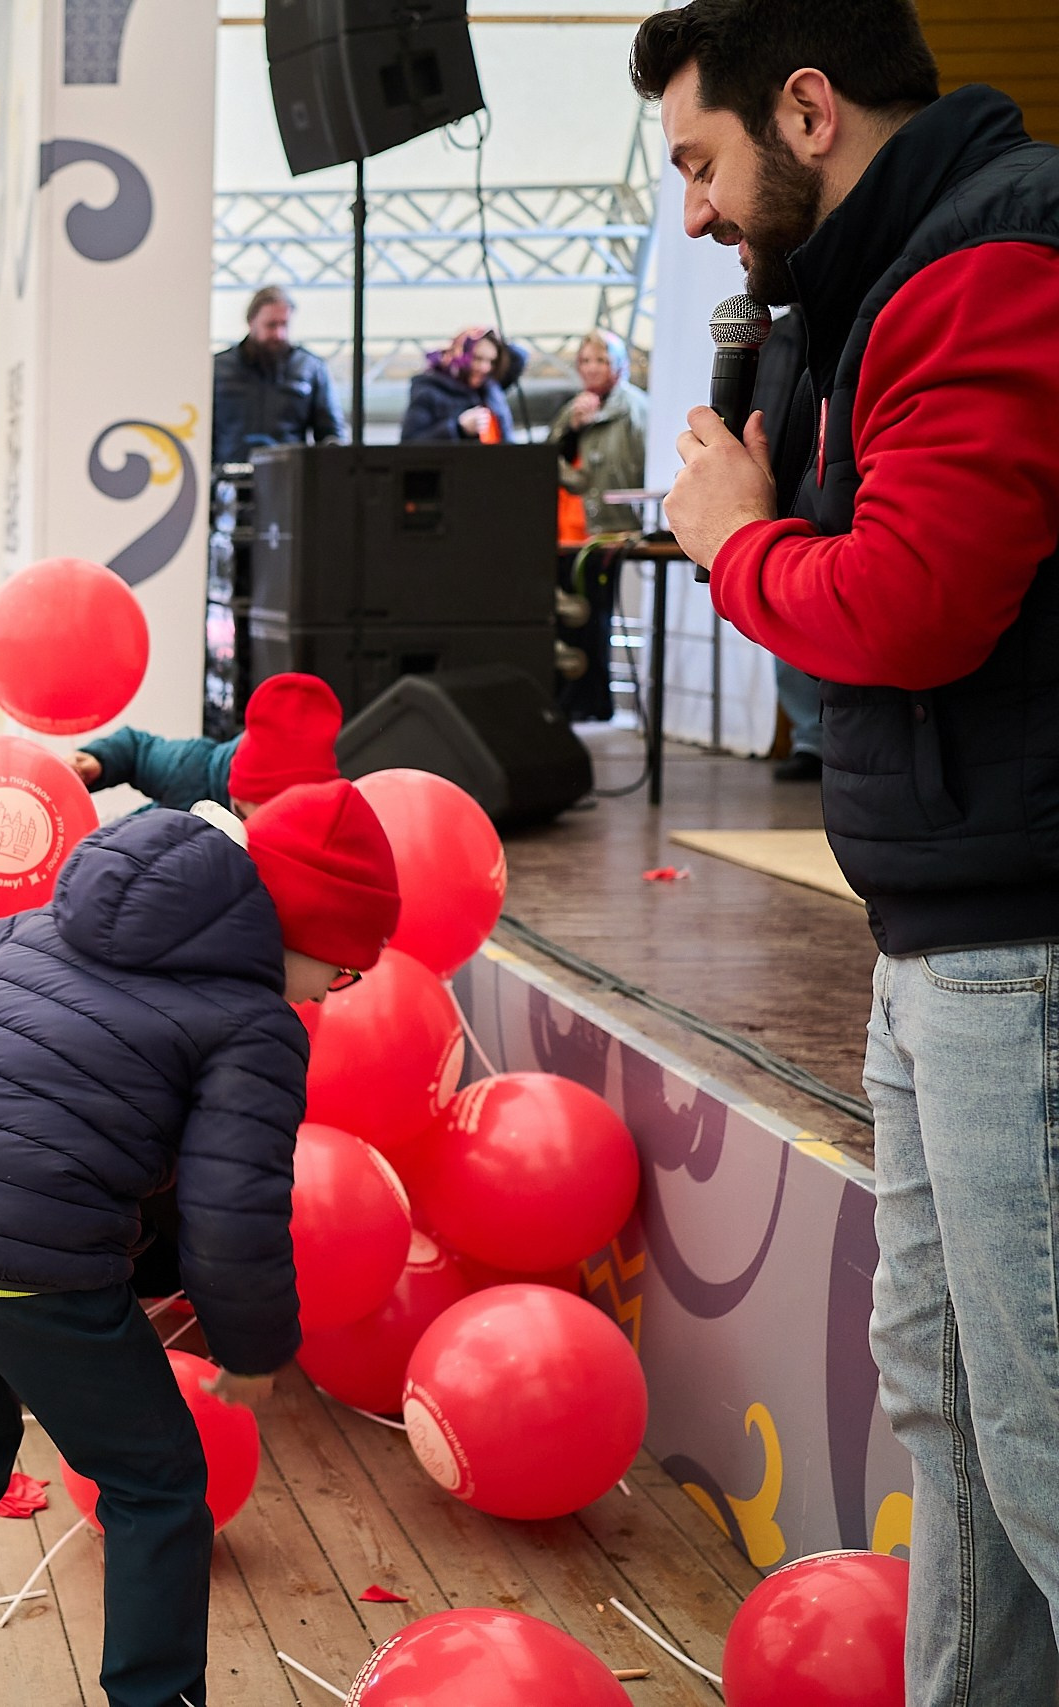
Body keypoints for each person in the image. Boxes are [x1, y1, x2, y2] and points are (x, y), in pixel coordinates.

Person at [639, 3, 1059, 1700]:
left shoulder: (990, 267)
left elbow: (907, 603)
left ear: (806, 108)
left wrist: (738, 545)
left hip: (1018, 942)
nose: (693, 215)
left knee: (1033, 1421)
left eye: (702, 162)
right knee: (953, 1398)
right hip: (944, 928)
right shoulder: (889, 284)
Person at [0, 782, 401, 1707]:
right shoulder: (254, 1021)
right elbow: (235, 1211)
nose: (333, 992)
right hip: (32, 1253)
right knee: (158, 1480)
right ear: (301, 936)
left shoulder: (57, 924)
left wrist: (6, 1046)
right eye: (344, 971)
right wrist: (255, 1344)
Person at [69, 671, 343, 815]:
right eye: (243, 811)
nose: (255, 823)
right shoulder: (193, 767)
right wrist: (100, 761)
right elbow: (138, 749)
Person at [210, 284, 345, 466]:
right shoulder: (218, 368)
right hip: (227, 482)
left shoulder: (311, 368)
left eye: (284, 325)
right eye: (271, 325)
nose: (279, 334)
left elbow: (331, 433)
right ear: (251, 322)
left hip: (290, 481)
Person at [556, 330, 651, 536]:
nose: (592, 368)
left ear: (618, 364)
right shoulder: (572, 410)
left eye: (601, 361)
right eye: (585, 360)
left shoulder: (636, 408)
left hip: (629, 527)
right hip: (580, 530)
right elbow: (546, 460)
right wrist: (573, 429)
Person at [400, 326, 515, 444]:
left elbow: (520, 358)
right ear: (459, 355)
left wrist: (495, 335)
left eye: (492, 361)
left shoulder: (490, 388)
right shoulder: (429, 390)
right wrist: (458, 428)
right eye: (477, 358)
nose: (485, 367)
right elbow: (410, 444)